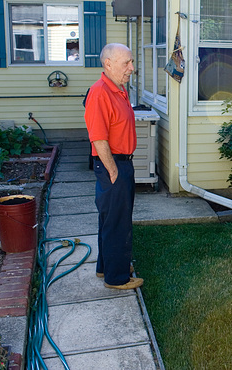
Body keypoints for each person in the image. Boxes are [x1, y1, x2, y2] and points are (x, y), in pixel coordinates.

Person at [84, 43, 143, 290]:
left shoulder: (117, 89)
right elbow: (98, 137)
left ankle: (106, 267)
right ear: (108, 64)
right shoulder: (100, 93)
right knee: (118, 222)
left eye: (131, 62)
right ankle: (117, 278)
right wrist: (113, 170)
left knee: (109, 219)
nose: (132, 68)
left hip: (120, 163)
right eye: (126, 63)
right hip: (113, 164)